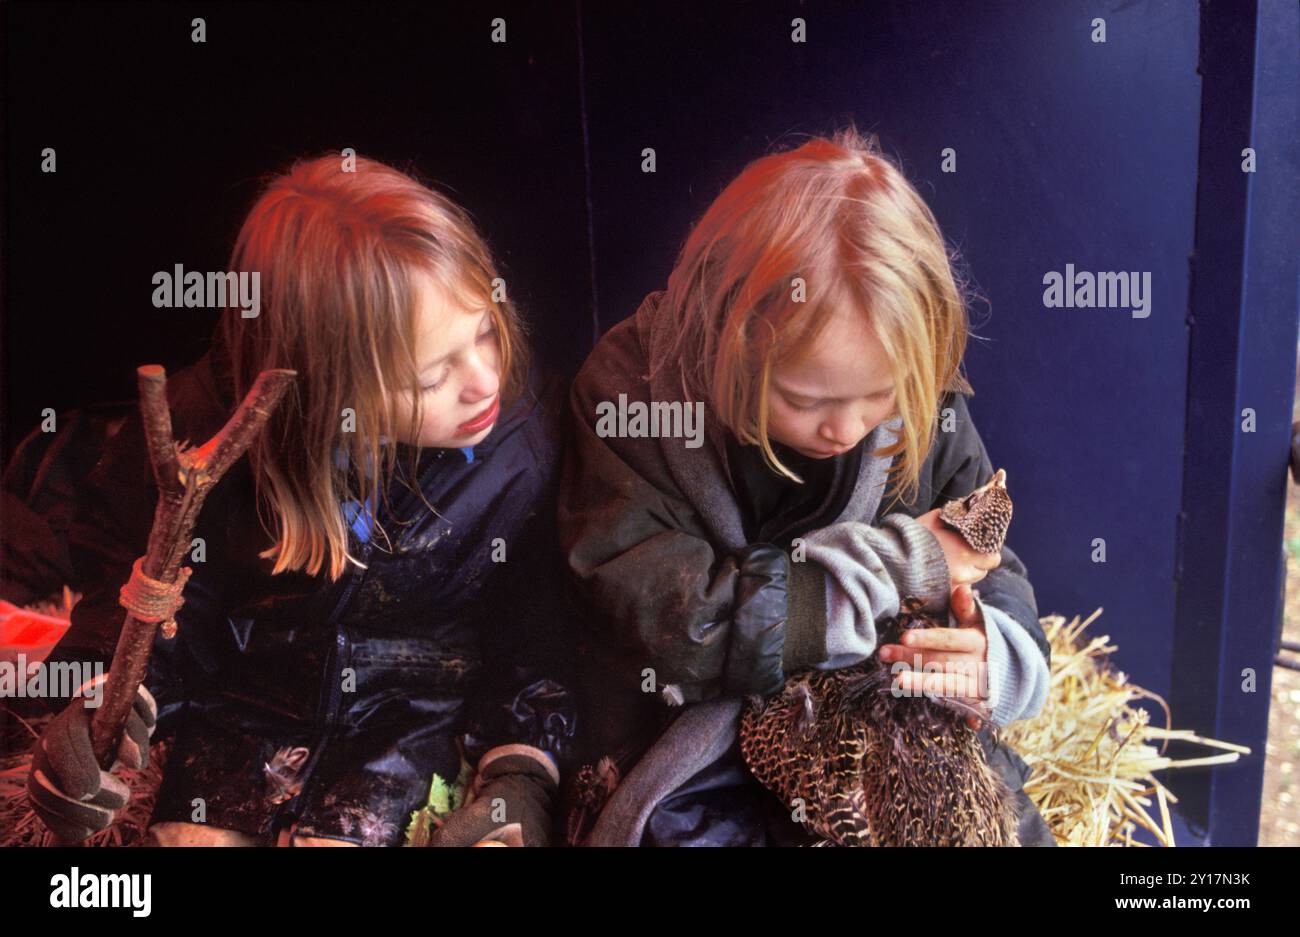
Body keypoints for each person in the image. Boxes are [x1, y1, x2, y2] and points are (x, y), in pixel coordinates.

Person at [27, 154, 576, 846]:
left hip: (413, 721)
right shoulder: (204, 437)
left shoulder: (527, 437)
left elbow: (536, 634)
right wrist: (99, 706)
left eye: (487, 331)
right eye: (430, 376)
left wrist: (520, 773)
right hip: (244, 719)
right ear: (327, 387)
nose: (484, 380)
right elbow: (147, 607)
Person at [558, 128, 1054, 846]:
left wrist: (991, 650)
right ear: (720, 333)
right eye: (804, 398)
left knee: (996, 825)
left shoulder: (919, 396)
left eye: (880, 394)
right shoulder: (630, 399)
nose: (846, 429)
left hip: (875, 710)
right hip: (697, 724)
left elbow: (987, 556)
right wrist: (892, 565)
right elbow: (666, 618)